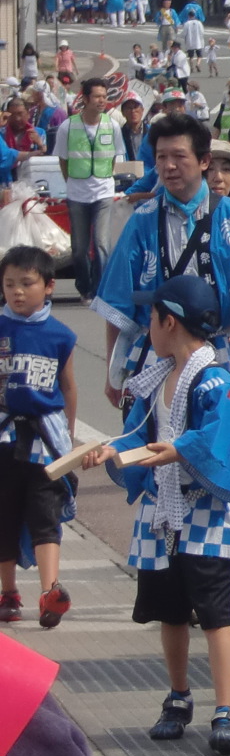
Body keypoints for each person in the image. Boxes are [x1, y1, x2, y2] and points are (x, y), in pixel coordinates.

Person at [89, 276, 230, 756]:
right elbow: (137, 436)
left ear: (169, 321)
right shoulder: (155, 376)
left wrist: (178, 450)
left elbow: (228, 435)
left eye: (151, 317)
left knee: (215, 615)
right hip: (161, 515)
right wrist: (109, 451)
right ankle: (179, 695)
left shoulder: (213, 379)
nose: (146, 326)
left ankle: (225, 710)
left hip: (203, 513)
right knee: (169, 611)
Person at [93, 112, 230, 409]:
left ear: (202, 160)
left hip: (225, 353)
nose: (168, 166)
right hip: (160, 353)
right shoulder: (141, 220)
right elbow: (118, 303)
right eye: (161, 156)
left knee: (221, 448)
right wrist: (112, 370)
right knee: (157, 449)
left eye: (179, 156)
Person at [0, 248, 76, 629]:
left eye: (26, 284)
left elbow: (68, 386)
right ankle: (8, 591)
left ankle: (51, 591)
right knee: (5, 515)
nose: (17, 292)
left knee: (46, 513)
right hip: (3, 437)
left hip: (46, 439)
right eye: (9, 284)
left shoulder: (61, 336)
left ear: (48, 287)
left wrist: (71, 437)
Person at [55, 76, 120, 300]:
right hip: (77, 193)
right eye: (97, 97)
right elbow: (62, 160)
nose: (102, 101)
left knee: (102, 244)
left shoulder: (112, 125)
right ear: (85, 98)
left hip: (103, 192)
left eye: (105, 96)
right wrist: (72, 181)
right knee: (79, 249)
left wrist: (106, 178)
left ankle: (100, 290)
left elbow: (113, 159)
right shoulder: (67, 127)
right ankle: (84, 287)